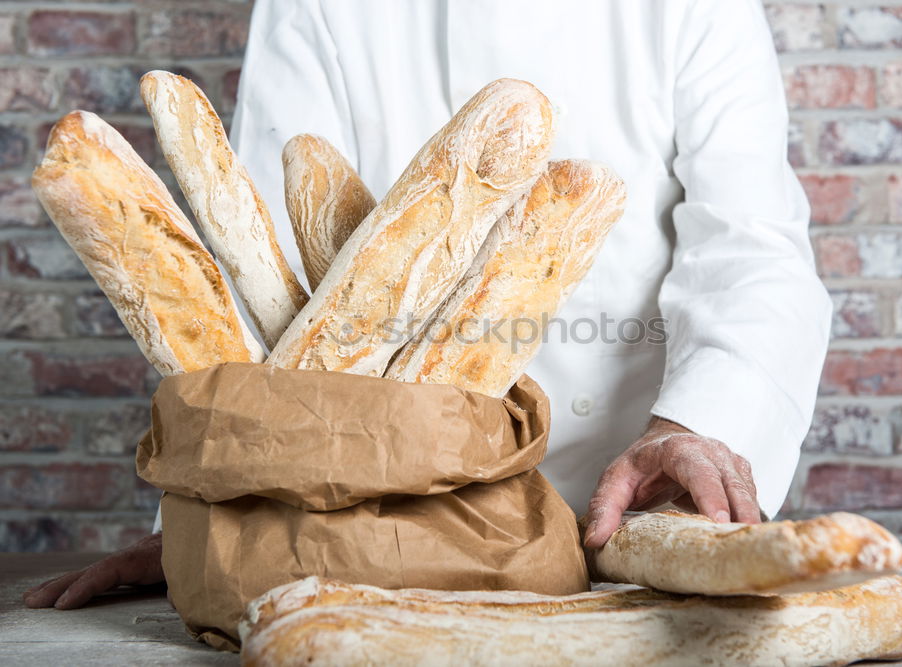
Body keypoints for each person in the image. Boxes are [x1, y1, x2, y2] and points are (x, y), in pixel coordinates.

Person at [23, 0, 831, 610]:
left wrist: (701, 427)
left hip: (633, 523)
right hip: (372, 540)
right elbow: (267, 296)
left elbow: (752, 248)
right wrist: (223, 519)